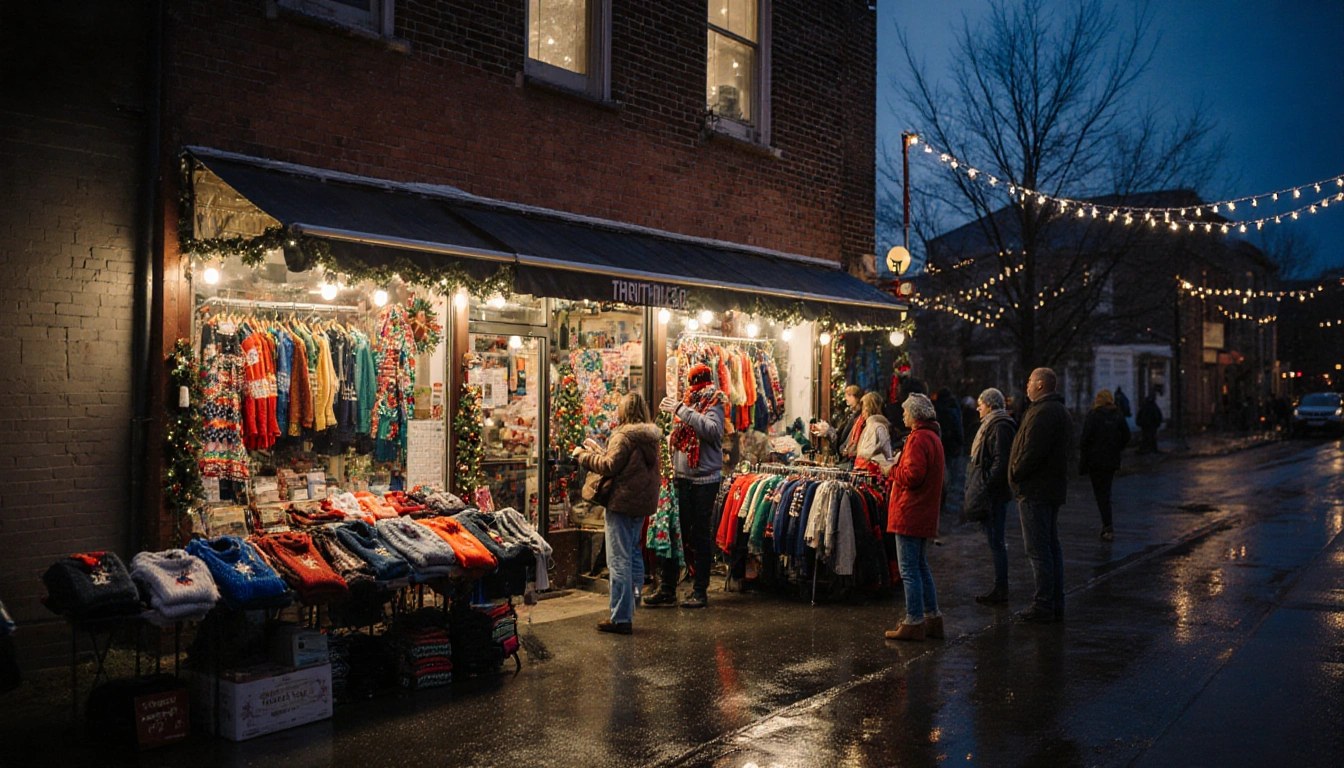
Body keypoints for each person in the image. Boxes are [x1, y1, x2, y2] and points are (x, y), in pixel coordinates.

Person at [575, 393, 663, 634]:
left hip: (621, 503)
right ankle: (631, 604)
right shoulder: (650, 437)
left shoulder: (623, 436)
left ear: (624, 411)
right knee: (634, 554)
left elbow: (609, 466)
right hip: (640, 504)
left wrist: (584, 457)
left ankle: (621, 617)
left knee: (618, 560)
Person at [652, 364, 726, 609]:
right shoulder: (687, 400)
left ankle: (699, 590)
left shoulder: (714, 400)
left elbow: (712, 431)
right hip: (681, 478)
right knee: (676, 532)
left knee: (699, 535)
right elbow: (678, 437)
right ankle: (668, 588)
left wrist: (682, 410)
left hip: (704, 480)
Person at [1009, 367, 1073, 623]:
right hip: (1050, 488)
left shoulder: (1043, 413)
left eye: (1029, 381)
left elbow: (1031, 452)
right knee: (1050, 546)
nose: (1026, 385)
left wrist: (1015, 473)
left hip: (1036, 489)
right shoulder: (1058, 411)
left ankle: (1044, 603)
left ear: (1040, 385)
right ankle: (1055, 601)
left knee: (1038, 549)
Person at [884, 393, 945, 641]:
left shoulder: (918, 439)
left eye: (906, 412)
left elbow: (912, 476)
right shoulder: (933, 437)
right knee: (920, 566)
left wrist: (892, 469)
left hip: (910, 511)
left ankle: (914, 621)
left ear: (916, 415)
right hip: (923, 511)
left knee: (909, 569)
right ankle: (932, 617)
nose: (903, 415)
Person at [963, 388, 1017, 604]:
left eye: (981, 403)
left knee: (997, 542)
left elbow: (1001, 460)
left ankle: (1001, 589)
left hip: (994, 494)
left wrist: (985, 484)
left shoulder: (1000, 426)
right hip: (992, 492)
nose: (978, 408)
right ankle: (999, 587)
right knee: (995, 541)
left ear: (991, 405)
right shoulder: (993, 425)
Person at [1079, 390, 1130, 542]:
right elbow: (1127, 436)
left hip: (1095, 461)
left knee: (1101, 494)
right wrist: (1117, 447)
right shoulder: (1117, 415)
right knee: (1106, 492)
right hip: (1111, 460)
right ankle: (1107, 525)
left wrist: (1084, 461)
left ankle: (1107, 526)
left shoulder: (1093, 415)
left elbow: (1085, 440)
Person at [812, 385, 863, 463]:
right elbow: (840, 435)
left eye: (849, 395)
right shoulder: (849, 415)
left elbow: (848, 438)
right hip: (844, 455)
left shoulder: (860, 417)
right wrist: (826, 431)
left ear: (856, 397)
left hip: (850, 458)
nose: (846, 398)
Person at [934, 388, 965, 517]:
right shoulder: (952, 410)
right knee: (949, 476)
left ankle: (942, 502)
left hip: (942, 445)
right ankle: (945, 501)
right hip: (951, 446)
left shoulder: (937, 410)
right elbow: (958, 427)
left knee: (943, 475)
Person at [850, 391, 894, 476]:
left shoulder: (876, 427)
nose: (862, 413)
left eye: (864, 408)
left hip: (872, 474)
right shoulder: (871, 426)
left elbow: (868, 453)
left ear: (868, 408)